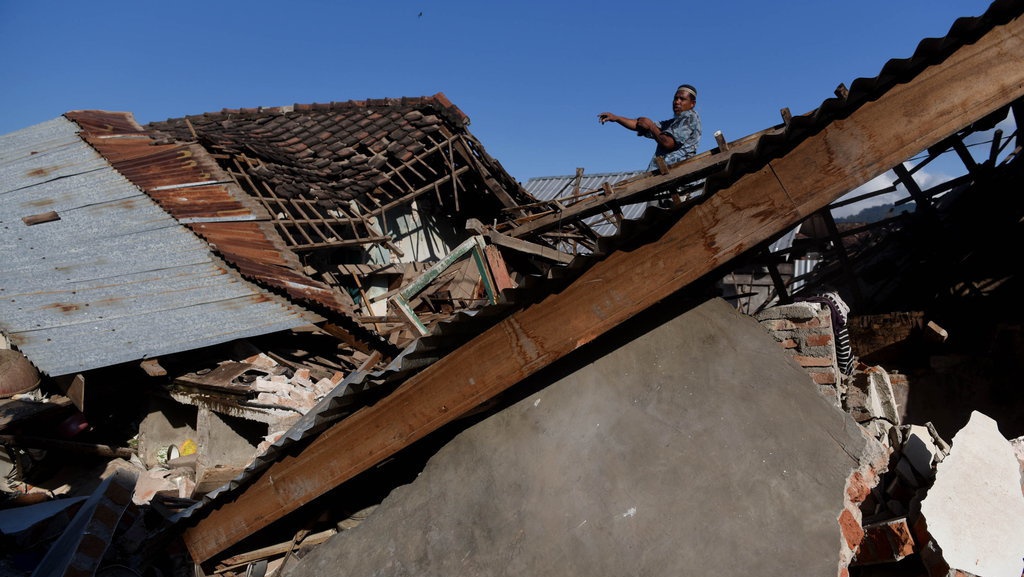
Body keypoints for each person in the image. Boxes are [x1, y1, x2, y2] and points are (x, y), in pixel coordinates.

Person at [598, 84, 702, 171]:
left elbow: (668, 143)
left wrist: (651, 126)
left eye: (682, 99)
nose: (677, 102)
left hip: (675, 173)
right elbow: (638, 125)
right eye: (675, 98)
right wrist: (616, 118)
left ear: (692, 104)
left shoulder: (689, 117)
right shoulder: (674, 123)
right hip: (666, 173)